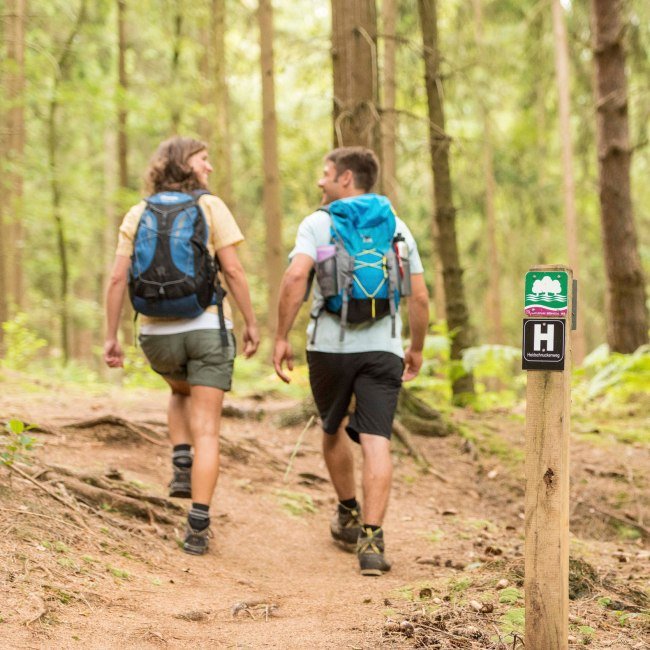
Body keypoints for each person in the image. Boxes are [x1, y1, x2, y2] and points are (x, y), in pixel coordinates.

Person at [273, 146, 429, 575]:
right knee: (378, 438)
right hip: (383, 349)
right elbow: (418, 296)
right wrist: (415, 348)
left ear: (346, 178)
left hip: (329, 348)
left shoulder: (317, 224)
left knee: (332, 426)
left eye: (325, 174)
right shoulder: (397, 228)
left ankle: (347, 513)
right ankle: (373, 543)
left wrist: (280, 336)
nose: (320, 182)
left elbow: (293, 277)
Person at [104, 136, 259, 555]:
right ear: (185, 165)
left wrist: (111, 336)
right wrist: (250, 322)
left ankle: (180, 460)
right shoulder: (210, 207)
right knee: (208, 429)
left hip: (156, 335)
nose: (209, 168)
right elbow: (235, 271)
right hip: (206, 326)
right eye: (203, 160)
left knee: (178, 389)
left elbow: (118, 278)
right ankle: (197, 526)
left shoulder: (139, 212)